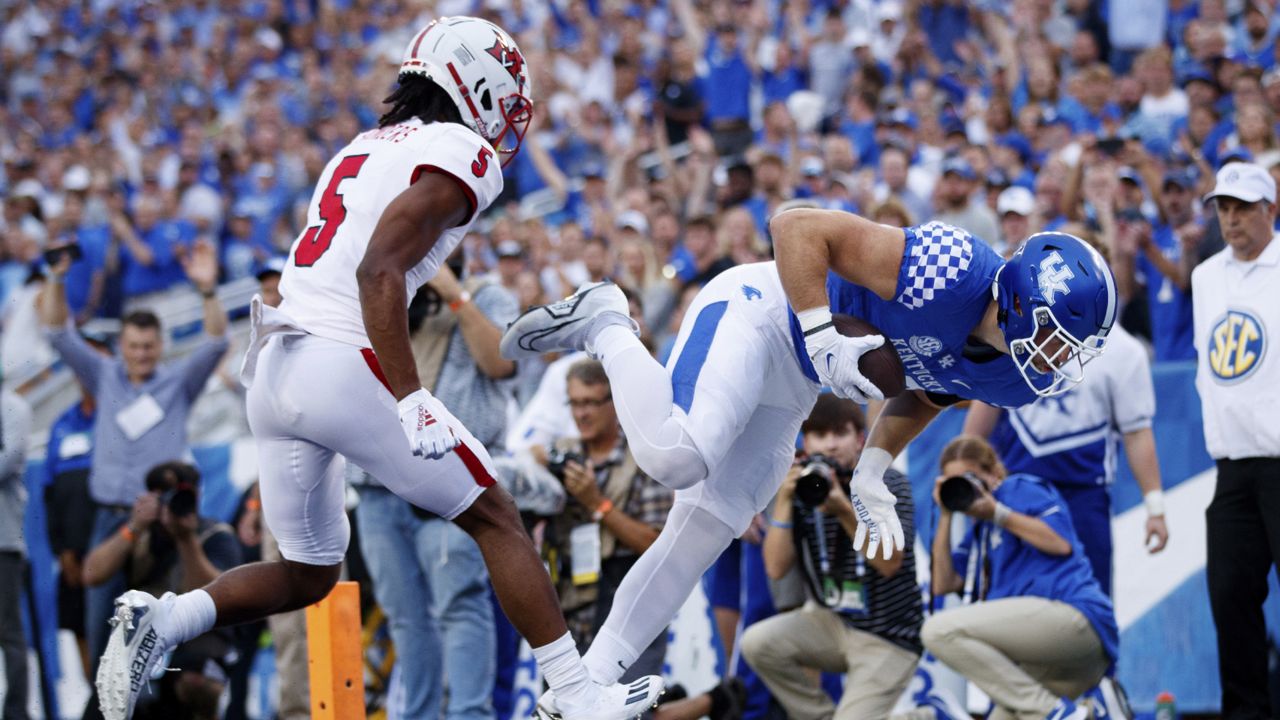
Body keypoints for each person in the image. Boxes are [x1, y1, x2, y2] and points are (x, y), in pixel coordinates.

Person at [93, 18, 661, 720]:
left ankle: (165, 620)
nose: (509, 115)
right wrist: (411, 396)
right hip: (340, 358)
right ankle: (576, 695)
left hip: (275, 367)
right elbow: (378, 270)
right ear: (474, 84)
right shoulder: (460, 149)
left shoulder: (363, 144)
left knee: (309, 572)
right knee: (496, 514)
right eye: (505, 93)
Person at [502, 208, 1118, 709]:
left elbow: (931, 390)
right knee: (675, 455)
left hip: (798, 381)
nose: (1059, 361)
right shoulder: (953, 269)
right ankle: (608, 321)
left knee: (702, 533)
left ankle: (581, 690)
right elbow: (794, 226)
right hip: (764, 313)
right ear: (1015, 300)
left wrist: (874, 465)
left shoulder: (1013, 376)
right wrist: (823, 333)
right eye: (1057, 340)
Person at [37, 240, 229, 671]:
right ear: (120, 346)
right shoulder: (104, 374)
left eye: (148, 346)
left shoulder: (178, 383)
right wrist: (55, 277)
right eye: (133, 346)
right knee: (98, 631)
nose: (141, 354)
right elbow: (57, 333)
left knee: (161, 641)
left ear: (160, 346)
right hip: (108, 518)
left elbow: (217, 343)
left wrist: (208, 290)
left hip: (160, 523)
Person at [349, 255, 518, 720]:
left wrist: (454, 294)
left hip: (449, 476)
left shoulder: (487, 294)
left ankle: (469, 715)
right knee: (404, 616)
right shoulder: (387, 300)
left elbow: (501, 363)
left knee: (459, 603)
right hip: (378, 482)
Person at [963, 305, 1169, 595]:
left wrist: (1155, 507)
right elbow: (987, 402)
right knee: (1012, 602)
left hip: (1082, 496)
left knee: (1086, 605)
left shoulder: (1122, 351)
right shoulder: (1015, 331)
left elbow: (1136, 432)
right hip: (1016, 490)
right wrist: (964, 470)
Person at [742, 394, 923, 720]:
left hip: (888, 636)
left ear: (860, 440)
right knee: (757, 643)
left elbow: (889, 564)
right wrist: (783, 501)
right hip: (834, 622)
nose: (830, 445)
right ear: (806, 443)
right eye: (820, 435)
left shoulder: (889, 484)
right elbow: (775, 567)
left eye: (839, 434)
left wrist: (843, 509)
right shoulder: (801, 488)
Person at [924, 435, 1117, 720]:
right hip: (1049, 658)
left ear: (993, 472)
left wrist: (998, 513)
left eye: (970, 477)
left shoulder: (1018, 489)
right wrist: (945, 514)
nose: (965, 486)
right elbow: (943, 583)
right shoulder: (978, 534)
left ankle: (1054, 710)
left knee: (938, 631)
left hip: (1076, 621)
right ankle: (1092, 712)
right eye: (953, 481)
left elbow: (1060, 543)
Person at [1192, 161, 1280, 720]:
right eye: (1224, 208)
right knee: (1229, 596)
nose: (1231, 218)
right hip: (1231, 464)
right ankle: (1245, 713)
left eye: (1243, 207)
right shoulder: (1204, 276)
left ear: (1270, 209)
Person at [542, 359, 674, 674]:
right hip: (571, 603)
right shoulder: (562, 454)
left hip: (629, 603)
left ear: (614, 402)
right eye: (574, 403)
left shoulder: (644, 455)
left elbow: (658, 543)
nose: (581, 414)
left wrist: (597, 503)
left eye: (590, 403)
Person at [83, 462, 242, 720]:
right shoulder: (138, 532)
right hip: (147, 632)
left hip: (197, 636)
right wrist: (133, 527)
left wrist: (186, 538)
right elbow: (92, 574)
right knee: (107, 697)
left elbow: (213, 595)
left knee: (196, 684)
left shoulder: (215, 535)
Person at [43, 331, 110, 679]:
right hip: (73, 556)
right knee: (80, 630)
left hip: (115, 548)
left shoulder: (119, 419)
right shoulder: (61, 425)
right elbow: (50, 493)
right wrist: (62, 551)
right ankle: (95, 706)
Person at [0, 386, 33, 720]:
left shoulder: (12, 406)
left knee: (7, 631)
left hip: (3, 540)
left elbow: (8, 459)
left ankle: (16, 713)